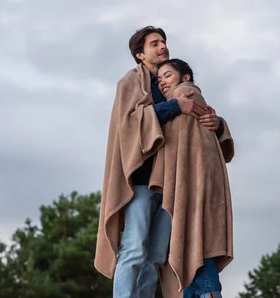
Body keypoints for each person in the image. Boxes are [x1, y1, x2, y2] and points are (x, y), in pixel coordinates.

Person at [94, 26, 230, 298]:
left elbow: (195, 127)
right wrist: (174, 107)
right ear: (140, 54)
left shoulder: (175, 87)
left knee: (157, 254)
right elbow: (128, 124)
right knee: (134, 247)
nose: (162, 46)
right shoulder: (131, 82)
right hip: (142, 181)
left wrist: (218, 125)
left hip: (173, 185)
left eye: (164, 42)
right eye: (154, 43)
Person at [151, 58, 235, 298]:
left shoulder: (185, 94)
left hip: (194, 186)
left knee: (197, 248)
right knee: (189, 247)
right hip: (196, 185)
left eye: (168, 75)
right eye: (159, 79)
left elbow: (144, 121)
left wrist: (219, 125)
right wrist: (220, 126)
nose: (163, 82)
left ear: (185, 76)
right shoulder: (178, 103)